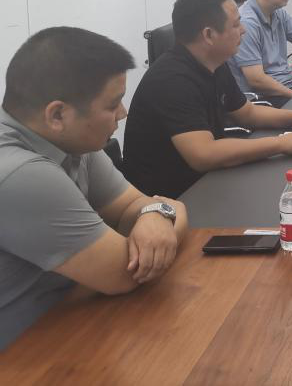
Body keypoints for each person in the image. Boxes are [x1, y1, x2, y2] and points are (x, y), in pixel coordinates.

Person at [0, 27, 188, 350]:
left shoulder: (71, 141)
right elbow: (126, 273)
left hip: (68, 318)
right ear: (58, 114)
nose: (123, 113)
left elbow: (131, 208)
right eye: (112, 105)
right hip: (23, 356)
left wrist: (157, 213)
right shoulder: (20, 173)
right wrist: (168, 211)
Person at [122, 0, 292, 198]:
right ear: (208, 35)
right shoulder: (172, 80)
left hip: (207, 182)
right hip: (170, 198)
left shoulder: (214, 62)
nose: (243, 30)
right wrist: (280, 143)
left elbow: (246, 113)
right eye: (236, 24)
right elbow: (203, 155)